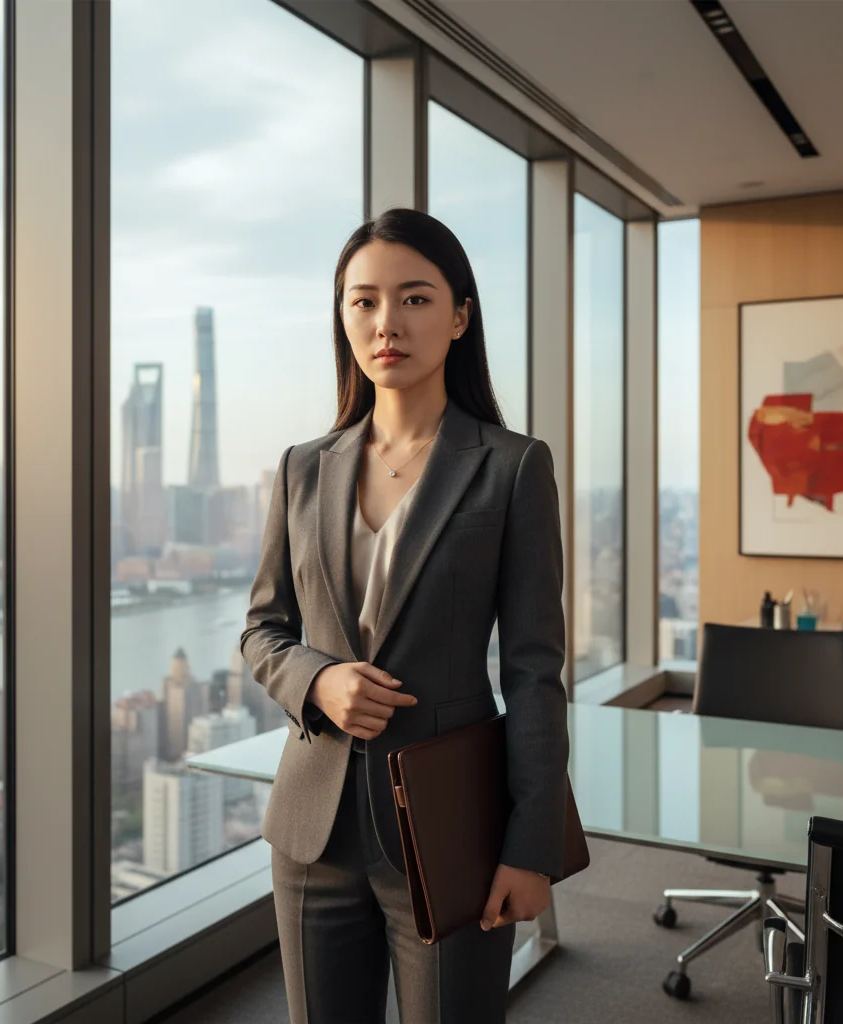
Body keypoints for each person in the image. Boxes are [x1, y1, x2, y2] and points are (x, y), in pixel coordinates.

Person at [240, 207, 569, 1023]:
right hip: (312, 829)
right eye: (364, 301)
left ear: (460, 316)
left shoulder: (513, 467)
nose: (387, 322)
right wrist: (319, 682)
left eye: (416, 298)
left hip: (451, 823)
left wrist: (532, 847)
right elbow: (261, 630)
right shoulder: (302, 468)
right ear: (344, 317)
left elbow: (533, 671)